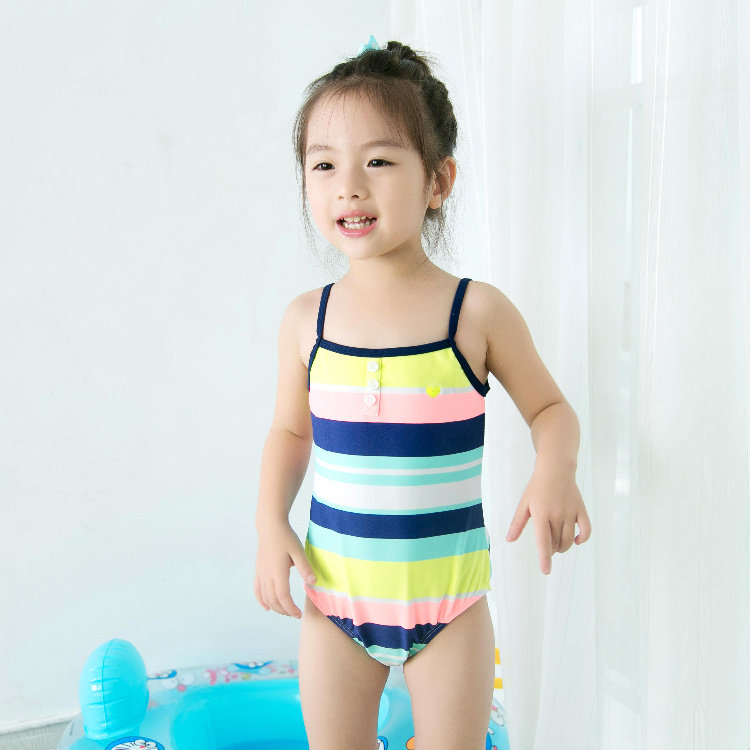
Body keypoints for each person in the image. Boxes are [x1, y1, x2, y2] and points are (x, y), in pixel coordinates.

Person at [254, 38, 591, 750]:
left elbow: (551, 410)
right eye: (324, 164)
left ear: (439, 180)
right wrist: (268, 521)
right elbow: (289, 433)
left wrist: (554, 469)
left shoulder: (475, 313)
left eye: (378, 161)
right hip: (335, 602)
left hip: (450, 608)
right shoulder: (306, 321)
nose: (349, 186)